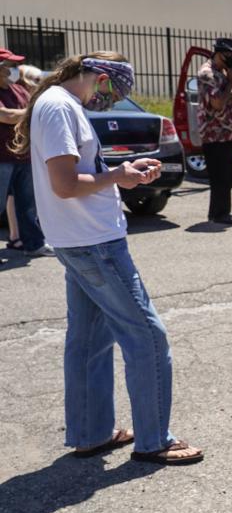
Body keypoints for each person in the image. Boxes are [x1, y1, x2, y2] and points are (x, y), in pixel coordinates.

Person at [12, 52, 202, 464]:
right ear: (99, 77)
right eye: (113, 92)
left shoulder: (59, 105)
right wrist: (118, 176)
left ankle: (91, 433)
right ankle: (155, 440)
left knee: (90, 340)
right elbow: (64, 184)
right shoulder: (60, 107)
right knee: (148, 336)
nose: (113, 102)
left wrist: (122, 168)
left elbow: (78, 170)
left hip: (79, 239)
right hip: (93, 242)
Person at [0, 46, 50, 257]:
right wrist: (30, 112)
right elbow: (6, 115)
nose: (14, 69)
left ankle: (33, 244)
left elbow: (33, 114)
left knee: (28, 205)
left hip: (24, 157)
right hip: (2, 158)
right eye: (9, 65)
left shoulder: (19, 90)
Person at [196, 37, 232, 226]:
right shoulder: (208, 74)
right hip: (215, 135)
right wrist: (231, 82)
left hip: (228, 134)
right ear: (218, 53)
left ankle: (222, 211)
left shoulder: (222, 72)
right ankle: (218, 214)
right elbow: (217, 103)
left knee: (227, 175)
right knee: (220, 177)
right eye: (229, 55)